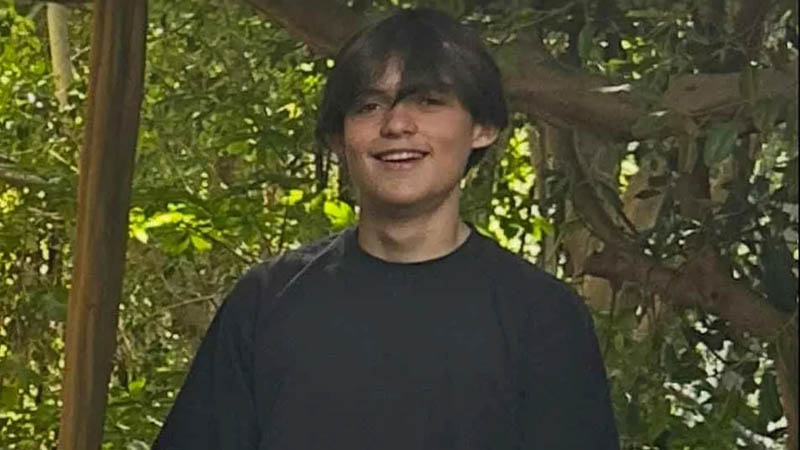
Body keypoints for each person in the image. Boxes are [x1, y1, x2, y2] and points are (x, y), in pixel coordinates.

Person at [153, 8, 619, 450]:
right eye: (369, 105)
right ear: (340, 138)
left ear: (483, 126)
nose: (396, 125)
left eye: (428, 101)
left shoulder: (543, 318)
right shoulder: (266, 301)